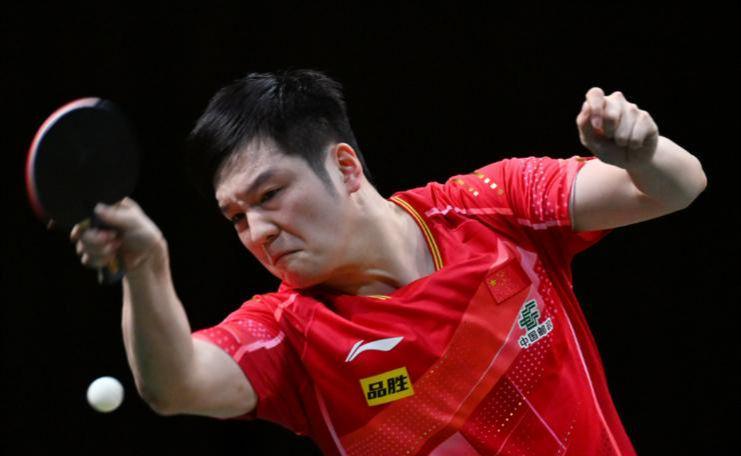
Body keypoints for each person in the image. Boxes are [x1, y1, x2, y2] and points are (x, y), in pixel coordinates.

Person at [70, 69, 706, 455]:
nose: (258, 231)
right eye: (236, 217)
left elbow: (678, 187)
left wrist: (643, 151)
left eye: (269, 195)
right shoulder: (291, 336)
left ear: (345, 167)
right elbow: (174, 385)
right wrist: (146, 268)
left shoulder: (493, 208)